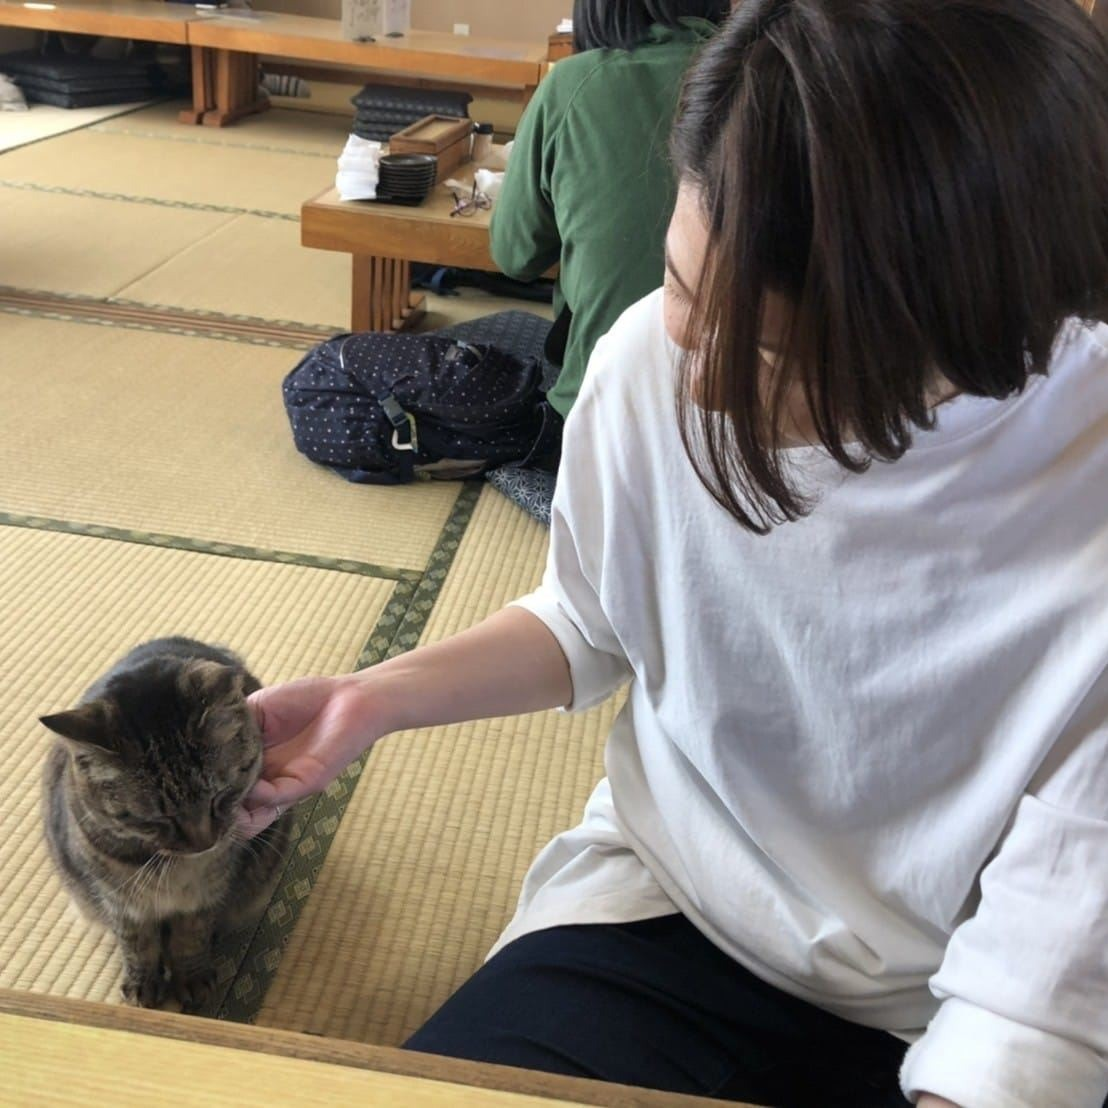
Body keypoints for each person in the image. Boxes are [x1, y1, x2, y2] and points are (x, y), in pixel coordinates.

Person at [239, 1, 1108, 1104]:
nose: (693, 377)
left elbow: (1035, 1009)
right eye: (685, 285)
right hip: (666, 905)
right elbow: (590, 616)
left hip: (951, 1000)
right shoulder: (647, 355)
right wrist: (372, 698)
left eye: (766, 349)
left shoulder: (1081, 493)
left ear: (974, 327)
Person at [488, 0, 731, 420]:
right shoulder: (764, 82)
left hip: (598, 407)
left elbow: (515, 255)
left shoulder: (574, 84)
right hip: (743, 417)